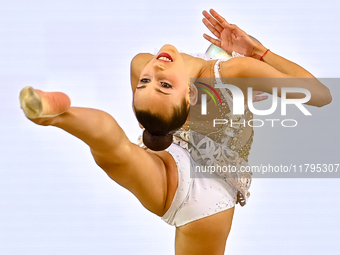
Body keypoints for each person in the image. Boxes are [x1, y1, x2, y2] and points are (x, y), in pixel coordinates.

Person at [19, 9, 332, 255]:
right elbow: (318, 95)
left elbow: (153, 119)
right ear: (189, 96)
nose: (152, 73)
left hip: (184, 171)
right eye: (163, 84)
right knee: (120, 152)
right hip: (204, 184)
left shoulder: (143, 63)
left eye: (147, 83)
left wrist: (254, 52)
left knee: (119, 153)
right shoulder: (234, 73)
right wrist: (258, 51)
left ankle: (60, 116)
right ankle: (59, 115)